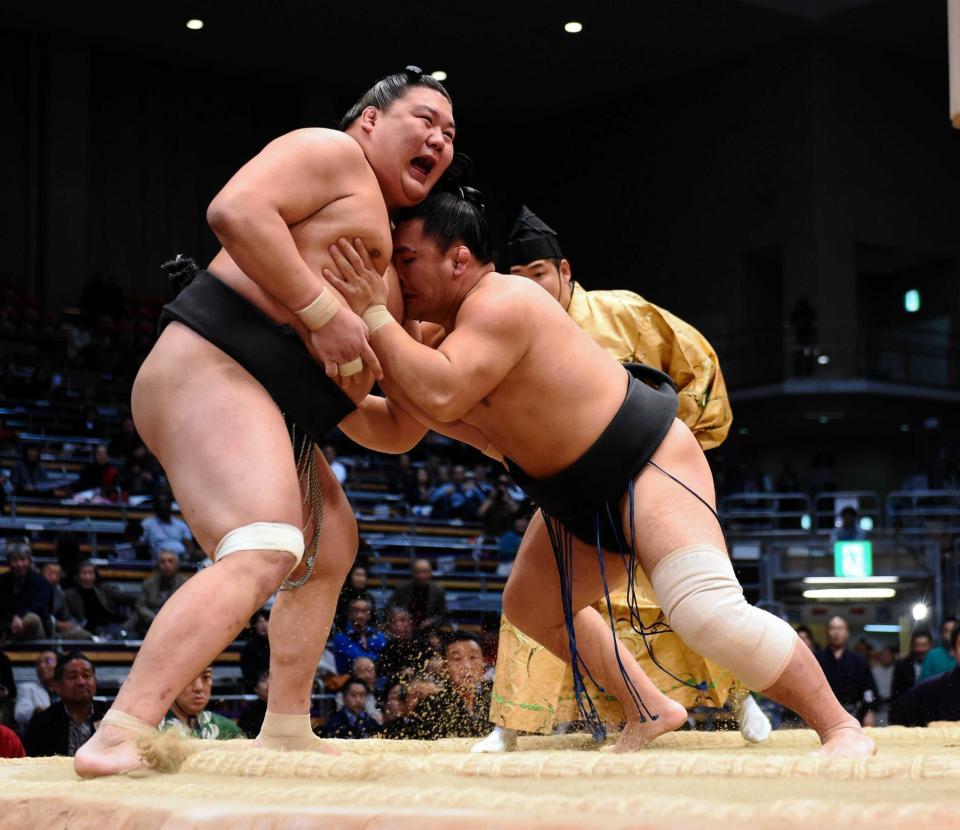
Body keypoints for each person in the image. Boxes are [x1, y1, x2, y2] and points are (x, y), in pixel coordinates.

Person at [327, 188, 874, 756]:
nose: (397, 275)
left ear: (458, 259)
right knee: (531, 609)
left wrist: (371, 314)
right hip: (574, 496)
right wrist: (323, 400)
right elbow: (396, 429)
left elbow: (438, 391)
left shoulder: (502, 301)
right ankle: (650, 707)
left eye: (406, 260)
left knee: (706, 612)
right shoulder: (434, 341)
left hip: (647, 462)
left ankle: (840, 726)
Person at [75, 67, 457, 777]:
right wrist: (323, 312)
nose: (439, 138)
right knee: (264, 543)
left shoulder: (384, 265)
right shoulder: (333, 152)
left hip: (274, 402)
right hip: (213, 361)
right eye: (426, 119)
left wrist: (406, 374)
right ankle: (120, 730)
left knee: (331, 542)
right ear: (370, 120)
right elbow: (236, 210)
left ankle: (284, 725)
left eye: (451, 134)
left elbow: (389, 431)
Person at [464, 204, 758, 752]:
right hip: (572, 484)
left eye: (540, 275)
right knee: (537, 602)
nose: (531, 286)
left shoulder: (624, 314)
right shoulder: (509, 328)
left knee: (690, 591)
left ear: (566, 271)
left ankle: (743, 701)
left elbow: (698, 361)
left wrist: (681, 442)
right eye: (519, 279)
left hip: (646, 474)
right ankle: (513, 723)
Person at [398, 631, 492, 739]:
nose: (467, 666)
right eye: (457, 659)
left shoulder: (497, 699)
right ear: (445, 667)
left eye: (473, 657)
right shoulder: (430, 707)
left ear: (483, 663)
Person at [25, 653, 107, 757]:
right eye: (73, 677)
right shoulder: (42, 721)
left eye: (86, 675)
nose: (81, 682)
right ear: (57, 686)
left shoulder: (110, 714)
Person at [889, 625, 960, 726]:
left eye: (924, 645)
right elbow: (898, 711)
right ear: (954, 650)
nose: (920, 649)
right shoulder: (933, 688)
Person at [816, 616, 878, 726]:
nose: (836, 632)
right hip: (823, 713)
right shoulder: (816, 659)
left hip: (853, 713)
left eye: (840, 628)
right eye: (833, 628)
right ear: (827, 632)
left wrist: (870, 711)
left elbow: (868, 688)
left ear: (846, 633)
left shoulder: (859, 660)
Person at [160, 666, 244, 740]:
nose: (199, 687)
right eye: (189, 678)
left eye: (206, 677)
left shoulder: (227, 730)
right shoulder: (152, 730)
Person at [63, 562, 130, 639]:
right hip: (86, 629)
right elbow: (67, 616)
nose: (88, 577)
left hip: (111, 625)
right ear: (76, 577)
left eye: (91, 573)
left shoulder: (104, 589)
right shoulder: (69, 595)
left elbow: (125, 598)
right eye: (84, 573)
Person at [0, 541, 51, 641]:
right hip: (6, 625)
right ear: (9, 562)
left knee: (31, 619)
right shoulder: (2, 581)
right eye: (15, 560)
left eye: (23, 560)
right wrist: (13, 618)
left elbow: (39, 606)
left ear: (29, 561)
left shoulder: (41, 582)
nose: (19, 564)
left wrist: (20, 616)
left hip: (35, 629)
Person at [133, 549, 189, 636]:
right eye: (163, 562)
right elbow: (140, 606)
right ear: (158, 565)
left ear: (177, 565)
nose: (167, 565)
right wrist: (154, 619)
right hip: (150, 623)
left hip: (177, 623)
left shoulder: (186, 583)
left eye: (170, 561)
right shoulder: (149, 583)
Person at [330, 597, 387, 674]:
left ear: (369, 614)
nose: (360, 615)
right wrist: (378, 658)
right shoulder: (341, 637)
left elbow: (386, 656)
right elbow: (357, 657)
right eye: (356, 610)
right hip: (349, 680)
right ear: (349, 614)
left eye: (364, 611)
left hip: (377, 679)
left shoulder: (377, 634)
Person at [388, 559, 447, 631]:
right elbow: (390, 607)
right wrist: (401, 617)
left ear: (430, 573)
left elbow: (442, 615)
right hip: (403, 629)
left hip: (428, 630)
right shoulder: (402, 588)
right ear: (413, 573)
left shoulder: (438, 591)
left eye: (424, 572)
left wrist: (431, 622)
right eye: (418, 572)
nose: (421, 575)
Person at [378, 606, 428, 686]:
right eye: (394, 622)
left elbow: (428, 664)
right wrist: (400, 674)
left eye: (402, 620)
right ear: (389, 626)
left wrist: (414, 671)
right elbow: (384, 672)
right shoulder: (390, 647)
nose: (398, 625)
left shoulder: (423, 642)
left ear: (410, 622)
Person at [140, 492, 194, 560]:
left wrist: (187, 558)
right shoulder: (147, 524)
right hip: (157, 562)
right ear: (155, 505)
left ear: (170, 504)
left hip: (180, 562)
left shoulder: (181, 525)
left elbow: (189, 544)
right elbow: (141, 544)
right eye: (160, 503)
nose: (163, 505)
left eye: (165, 502)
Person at [14, 650, 59, 731]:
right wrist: (40, 712)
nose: (41, 666)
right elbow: (20, 715)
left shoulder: (68, 689)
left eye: (48, 661)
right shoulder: (28, 688)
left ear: (60, 666)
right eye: (38, 664)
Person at [891, 629, 933, 701]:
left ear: (930, 646)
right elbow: (896, 693)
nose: (920, 649)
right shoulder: (902, 665)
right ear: (912, 646)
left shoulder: (935, 663)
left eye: (924, 645)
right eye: (917, 645)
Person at [240, 609, 271, 692]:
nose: (264, 625)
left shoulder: (281, 644)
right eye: (259, 622)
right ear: (255, 626)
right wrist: (261, 678)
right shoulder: (249, 648)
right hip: (258, 686)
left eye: (266, 620)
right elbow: (248, 672)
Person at [918, 617, 957, 682]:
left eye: (953, 630)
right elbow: (922, 683)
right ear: (942, 633)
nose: (950, 634)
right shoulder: (932, 655)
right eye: (946, 630)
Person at [237, 671, 270, 738]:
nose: (269, 683)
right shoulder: (249, 713)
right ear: (256, 689)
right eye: (263, 680)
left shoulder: (287, 709)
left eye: (272, 679)